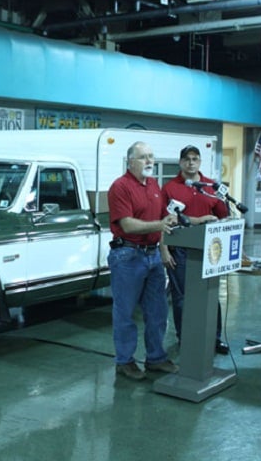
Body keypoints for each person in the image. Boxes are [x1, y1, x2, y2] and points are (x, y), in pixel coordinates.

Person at [108, 141, 180, 381]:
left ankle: (156, 358)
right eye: (143, 157)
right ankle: (125, 362)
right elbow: (127, 224)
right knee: (125, 313)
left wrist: (163, 248)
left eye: (151, 156)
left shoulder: (153, 185)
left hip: (152, 256)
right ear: (130, 162)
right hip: (128, 256)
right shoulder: (120, 187)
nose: (149, 161)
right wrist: (160, 224)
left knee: (157, 311)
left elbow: (161, 221)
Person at [160, 145, 230, 355]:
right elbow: (162, 221)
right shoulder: (170, 188)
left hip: (208, 250)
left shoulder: (210, 186)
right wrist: (164, 250)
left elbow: (223, 216)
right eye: (187, 159)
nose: (191, 163)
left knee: (210, 294)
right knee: (181, 297)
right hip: (179, 250)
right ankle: (185, 338)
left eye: (195, 159)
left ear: (200, 162)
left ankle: (214, 338)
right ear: (181, 162)